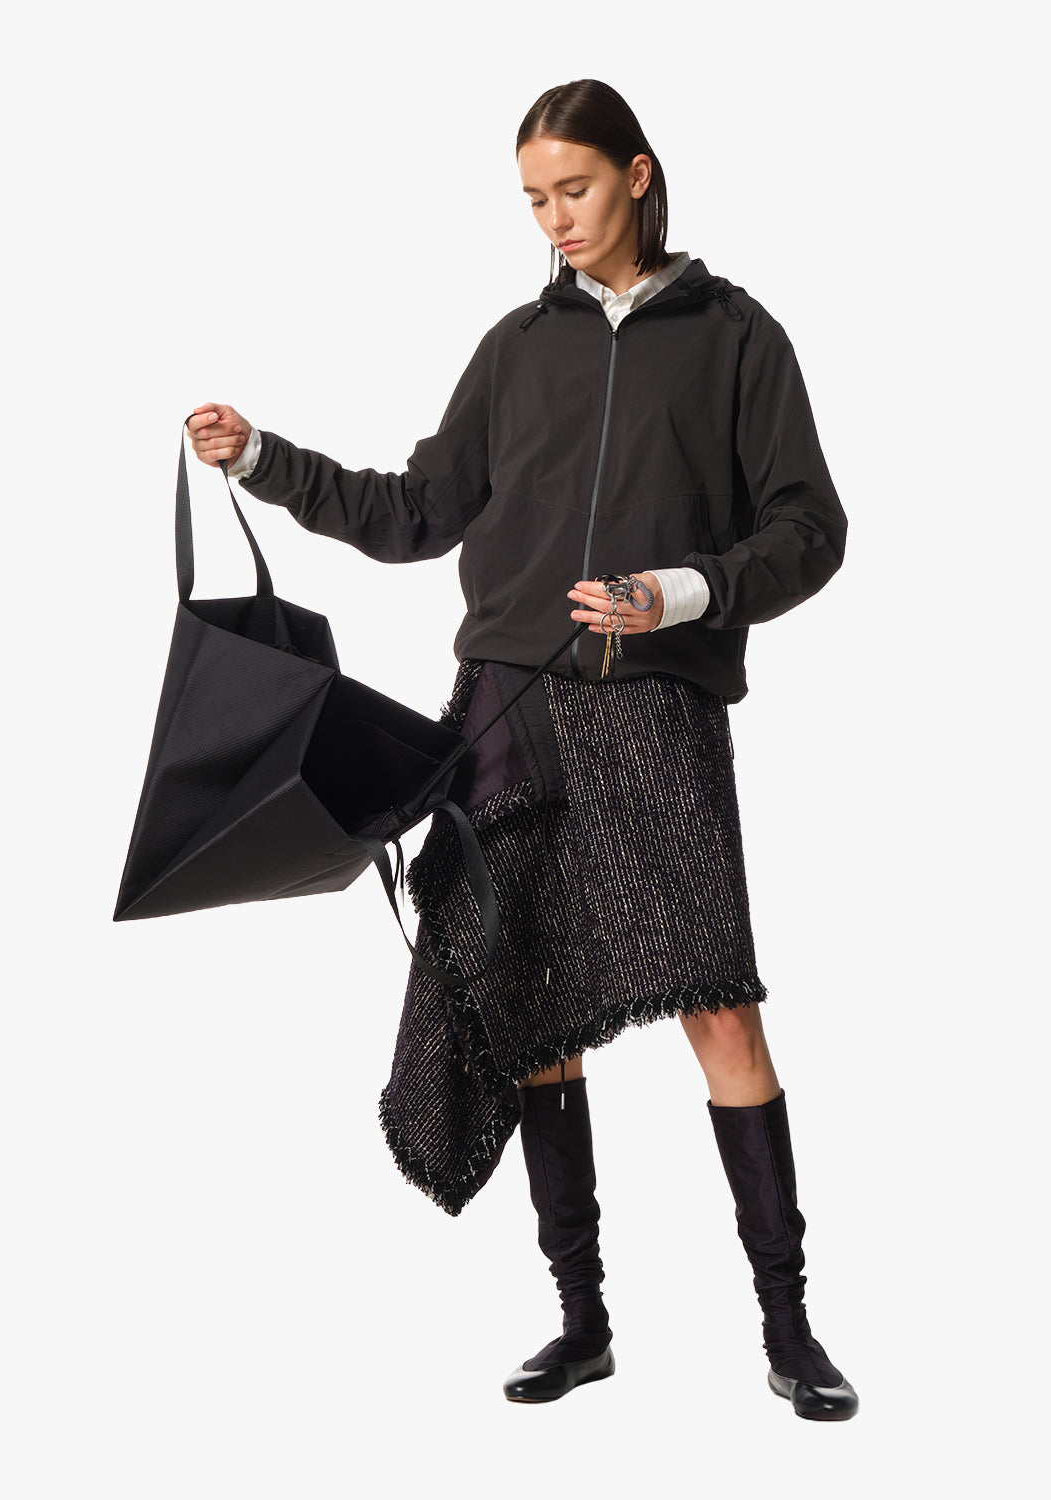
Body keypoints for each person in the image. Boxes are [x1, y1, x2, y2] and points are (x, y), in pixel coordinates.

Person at [186, 78, 857, 1421]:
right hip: (508, 704)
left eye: (576, 189)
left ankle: (790, 1331)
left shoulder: (736, 337)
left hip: (653, 710)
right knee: (529, 1005)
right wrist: (263, 459)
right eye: (534, 199)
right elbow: (414, 512)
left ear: (639, 175)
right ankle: (581, 1320)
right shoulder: (514, 346)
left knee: (717, 1003)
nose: (555, 219)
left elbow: (809, 529)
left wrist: (683, 592)